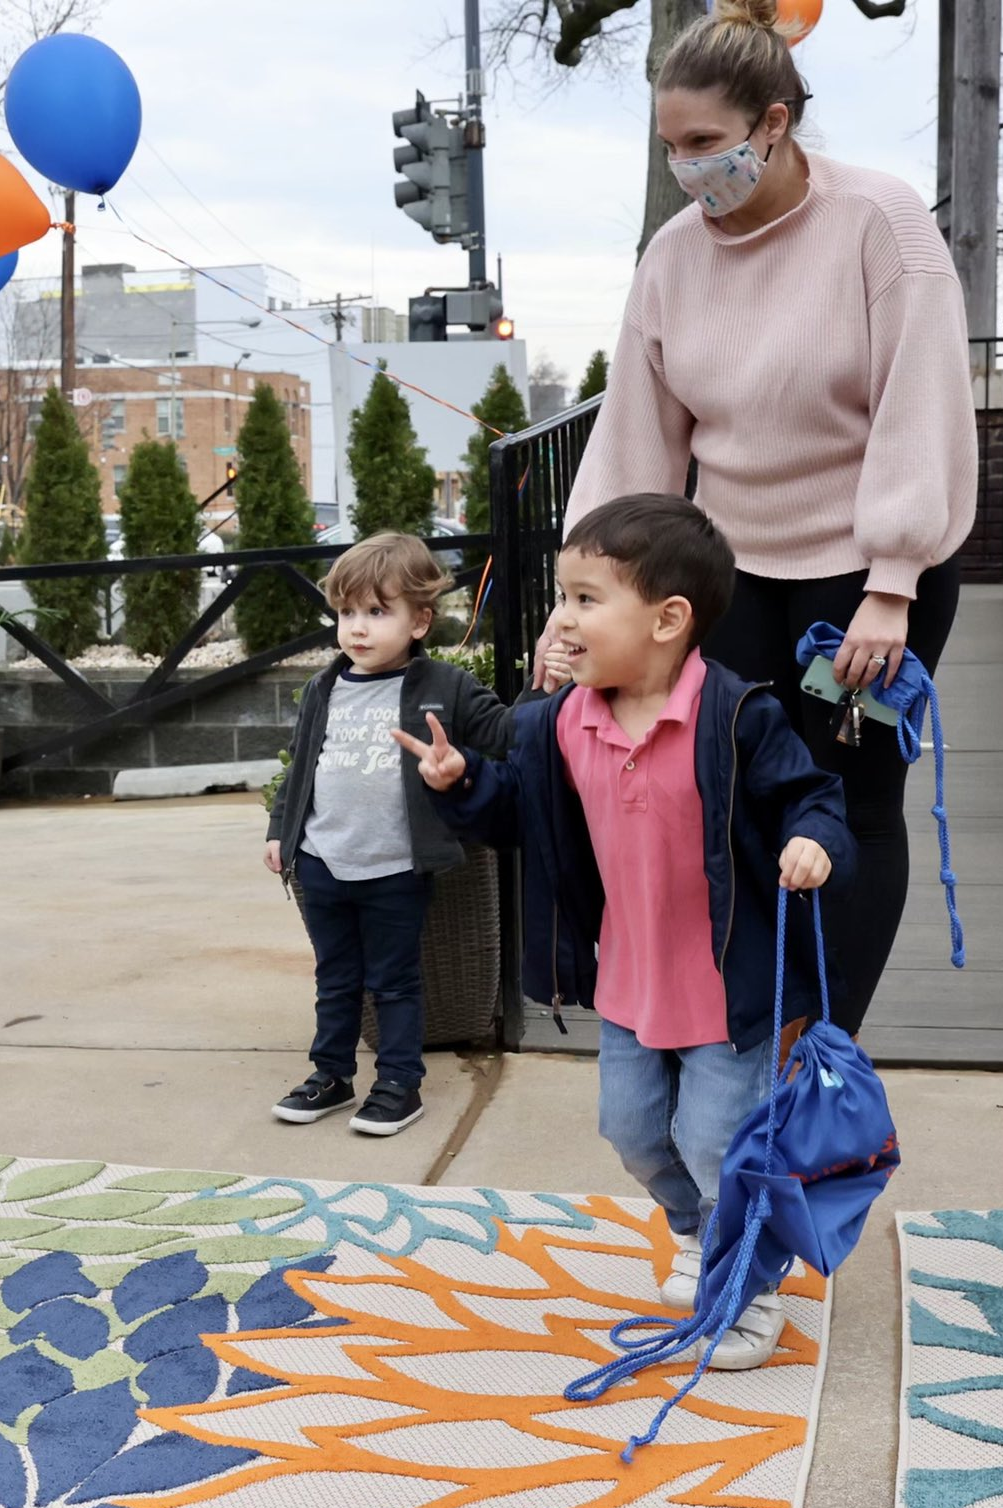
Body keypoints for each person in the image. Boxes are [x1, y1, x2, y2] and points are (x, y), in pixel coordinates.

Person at [553, 0, 975, 1033]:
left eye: (704, 143)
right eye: (670, 146)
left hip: (869, 573)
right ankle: (754, 1012)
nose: (687, 167)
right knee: (736, 788)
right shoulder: (672, 256)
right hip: (732, 569)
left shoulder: (879, 222)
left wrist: (891, 583)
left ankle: (816, 1044)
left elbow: (921, 401)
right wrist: (583, 600)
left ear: (772, 125)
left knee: (851, 800)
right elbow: (637, 436)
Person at [403, 494, 854, 1369]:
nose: (560, 620)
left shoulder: (736, 717)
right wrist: (460, 782)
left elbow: (814, 797)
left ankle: (748, 1284)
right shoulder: (559, 722)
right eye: (560, 596)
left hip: (729, 988)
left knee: (718, 1144)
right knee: (634, 1130)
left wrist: (812, 839)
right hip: (629, 981)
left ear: (667, 620)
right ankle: (702, 1235)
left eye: (583, 598)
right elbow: (517, 815)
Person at [263, 534, 517, 1137]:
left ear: (420, 620)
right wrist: (282, 831)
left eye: (377, 613)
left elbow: (509, 731)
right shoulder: (324, 688)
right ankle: (331, 1075)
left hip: (395, 869)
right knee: (335, 979)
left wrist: (548, 687)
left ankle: (400, 1084)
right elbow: (301, 765)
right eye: (347, 613)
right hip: (324, 861)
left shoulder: (444, 687)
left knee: (394, 982)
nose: (357, 628)